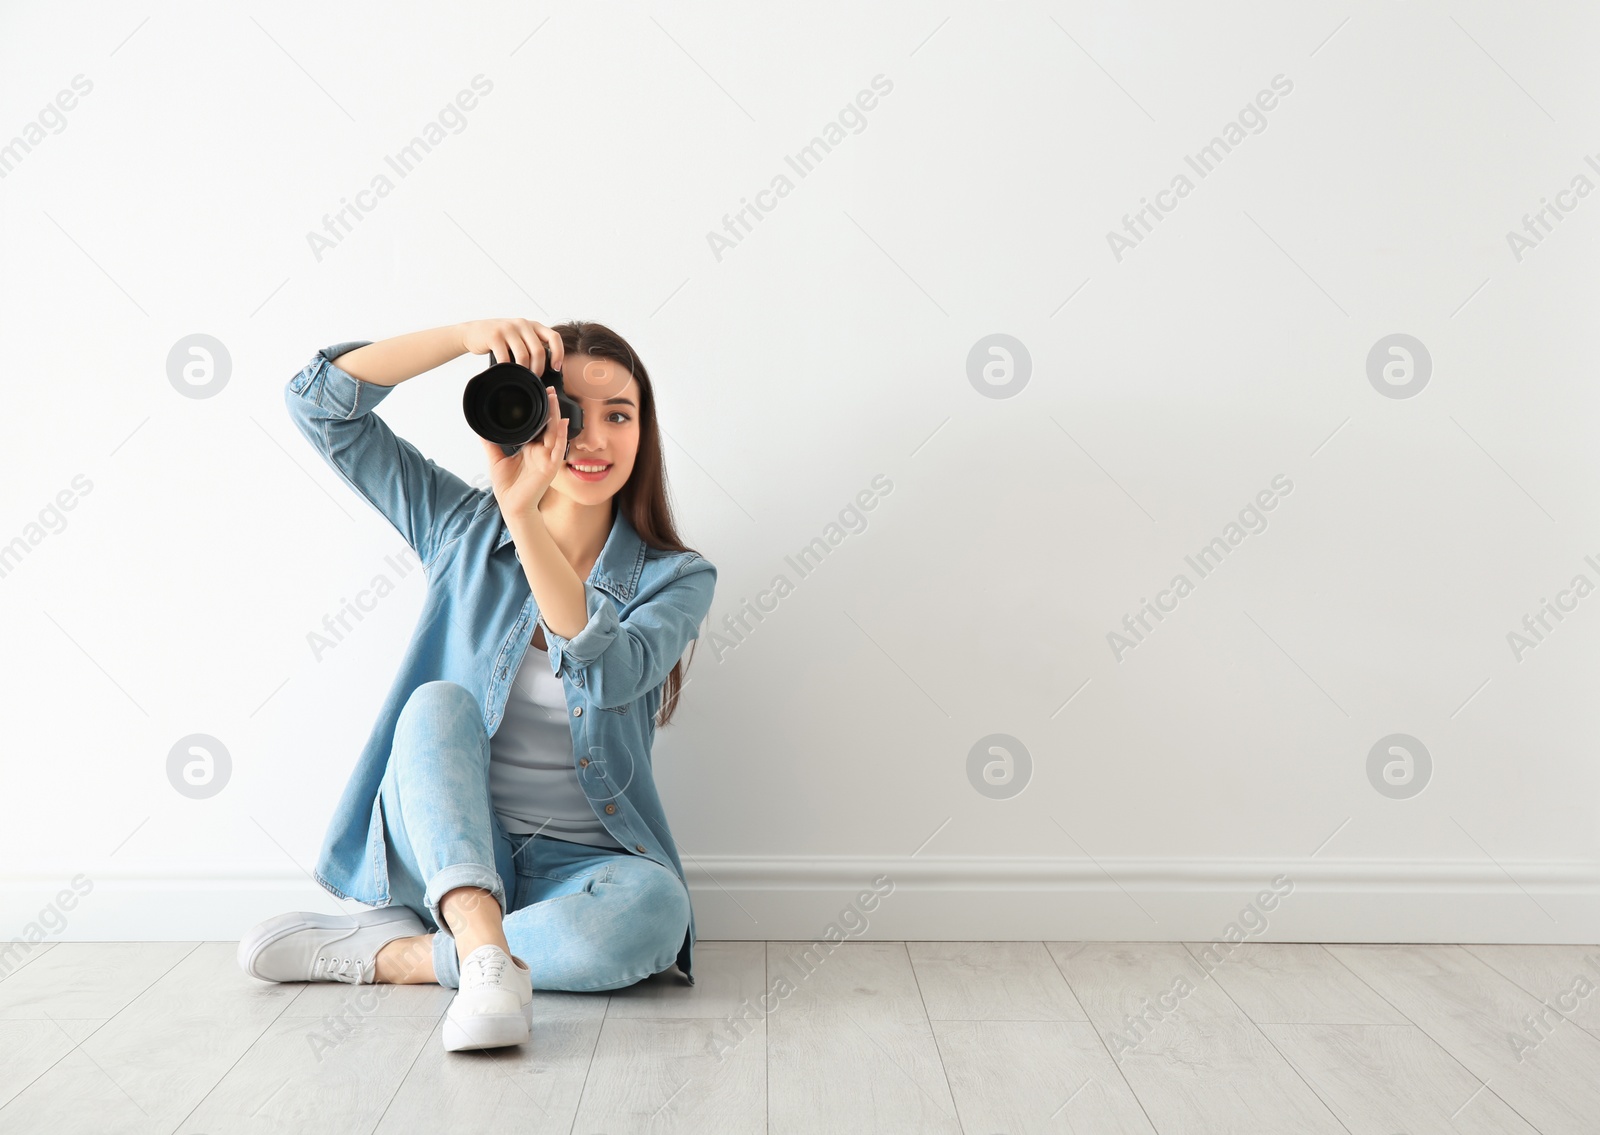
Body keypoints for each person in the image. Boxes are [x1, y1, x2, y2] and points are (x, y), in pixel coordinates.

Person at [236, 318, 716, 1053]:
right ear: (527, 413)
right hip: (454, 840)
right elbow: (319, 405)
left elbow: (607, 668)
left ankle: (406, 953)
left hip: (583, 868)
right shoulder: (460, 526)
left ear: (643, 430)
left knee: (658, 912)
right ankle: (482, 945)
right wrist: (462, 338)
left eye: (618, 414)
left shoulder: (676, 578)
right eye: (568, 414)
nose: (591, 438)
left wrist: (523, 514)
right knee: (435, 703)